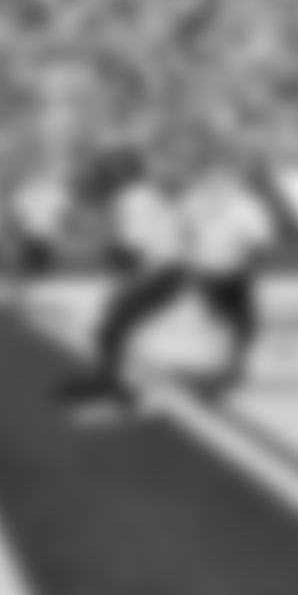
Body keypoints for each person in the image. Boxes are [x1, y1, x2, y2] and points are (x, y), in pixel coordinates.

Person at [63, 146, 186, 422]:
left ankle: (124, 394)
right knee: (112, 329)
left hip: (159, 272)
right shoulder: (140, 195)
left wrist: (100, 250)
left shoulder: (131, 199)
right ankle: (108, 383)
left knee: (113, 331)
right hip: (164, 270)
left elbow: (134, 252)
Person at [177, 164, 275, 401]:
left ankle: (224, 366)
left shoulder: (196, 201)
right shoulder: (243, 205)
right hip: (229, 270)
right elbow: (257, 240)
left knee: (222, 321)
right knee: (239, 323)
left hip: (212, 269)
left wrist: (191, 259)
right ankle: (227, 367)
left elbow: (185, 232)